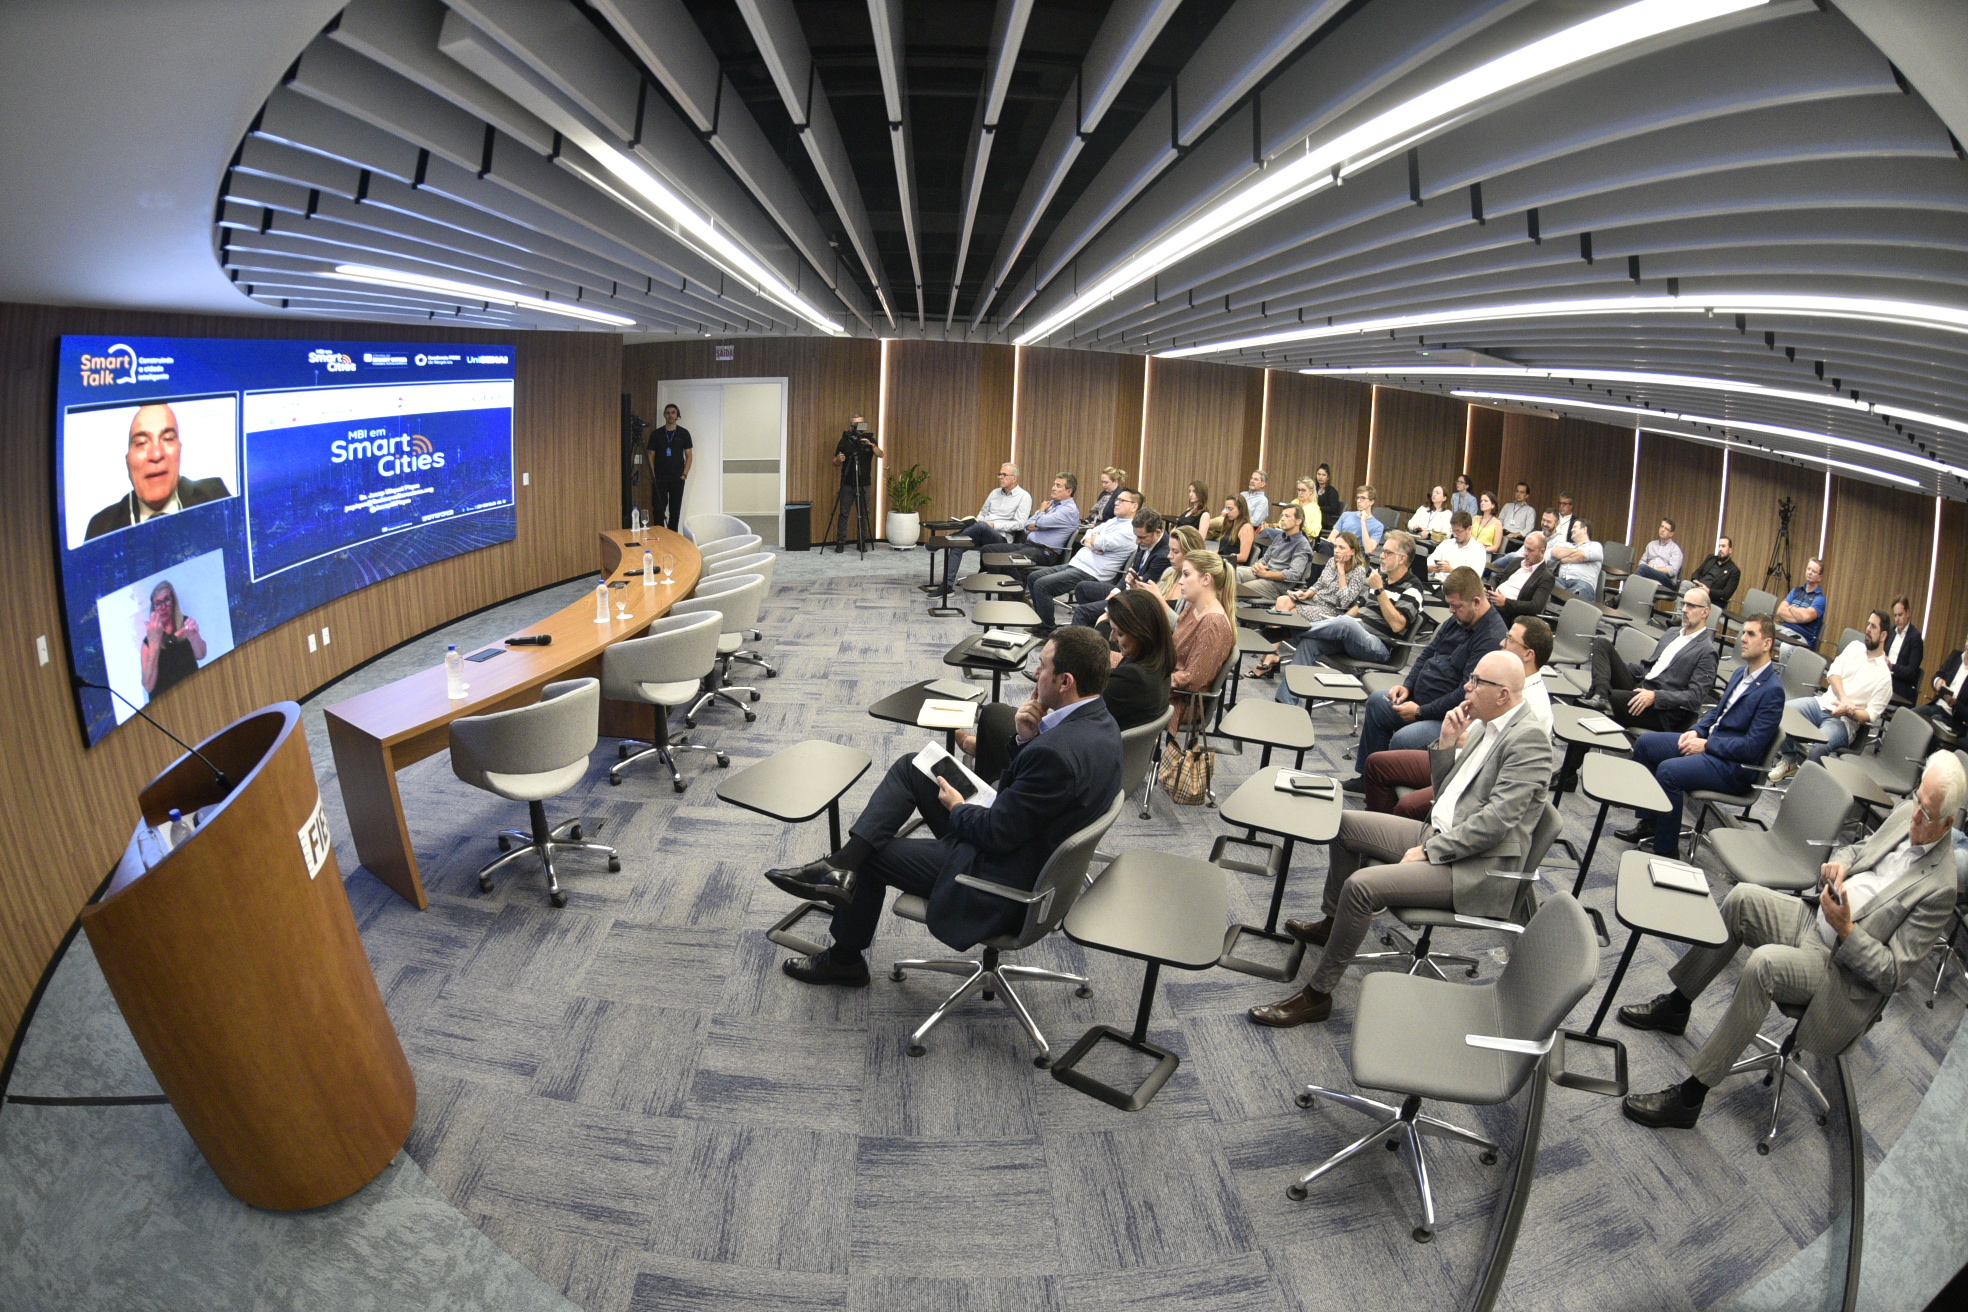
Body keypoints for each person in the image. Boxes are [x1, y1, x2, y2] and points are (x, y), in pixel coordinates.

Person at [1620, 752, 1964, 1130]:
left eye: (1926, 813)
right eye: (1917, 800)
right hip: (1817, 918)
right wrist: (1842, 864)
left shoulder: (1940, 888)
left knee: (1763, 965)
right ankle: (1676, 1006)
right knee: (1742, 899)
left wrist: (1847, 930)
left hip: (1840, 969)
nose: (1915, 815)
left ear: (1948, 824)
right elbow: (1858, 850)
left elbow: (1892, 974)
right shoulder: (1907, 813)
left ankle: (1689, 1098)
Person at [762, 628, 1124, 985]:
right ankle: (840, 865)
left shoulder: (1056, 754)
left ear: (1065, 682)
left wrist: (958, 807)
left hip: (998, 876)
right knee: (915, 767)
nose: (1036, 673)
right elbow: (1038, 798)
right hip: (1025, 840)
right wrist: (1025, 739)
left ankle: (844, 960)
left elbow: (997, 834)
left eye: (1043, 666)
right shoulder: (1103, 724)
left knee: (871, 857)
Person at [1247, 650, 1554, 1027]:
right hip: (1443, 833)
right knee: (1343, 825)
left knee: (1362, 886)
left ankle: (1317, 995)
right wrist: (1446, 744)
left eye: (1477, 682)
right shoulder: (1485, 723)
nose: (1467, 688)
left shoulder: (1529, 740)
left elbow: (1496, 823)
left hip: (1475, 867)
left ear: (1503, 694)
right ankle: (1332, 924)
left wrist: (1430, 850)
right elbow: (1450, 793)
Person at [1617, 615, 1785, 854]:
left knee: (1668, 772)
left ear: (1767, 644)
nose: (1742, 639)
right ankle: (1651, 823)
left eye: (1751, 634)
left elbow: (1750, 747)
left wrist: (1707, 745)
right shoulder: (1740, 673)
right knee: (1645, 744)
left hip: (1732, 766)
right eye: (1743, 633)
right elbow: (1717, 711)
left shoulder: (1772, 691)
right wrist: (1696, 730)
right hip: (1711, 745)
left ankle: (1666, 852)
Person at [961, 593, 1172, 782]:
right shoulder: (1159, 666)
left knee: (993, 714)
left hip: (1081, 755)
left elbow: (1076, 704)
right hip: (1102, 749)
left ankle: (990, 769)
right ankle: (987, 752)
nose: (1112, 638)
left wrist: (1044, 702)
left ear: (1142, 633)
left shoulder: (1133, 679)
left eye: (1120, 633)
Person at [1363, 617, 1556, 820]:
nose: (1501, 642)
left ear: (1528, 654)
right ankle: (1377, 828)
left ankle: (1390, 834)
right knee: (1377, 765)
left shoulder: (1532, 707)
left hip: (1476, 777)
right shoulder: (1504, 682)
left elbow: (1489, 754)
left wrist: (1454, 736)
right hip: (1462, 756)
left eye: (1509, 639)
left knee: (1407, 805)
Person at [1342, 566, 1507, 789]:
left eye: (1456, 606)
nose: (1451, 611)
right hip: (1420, 699)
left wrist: (1421, 712)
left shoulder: (1491, 637)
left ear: (1476, 602)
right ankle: (1368, 780)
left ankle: (1385, 792)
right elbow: (1427, 653)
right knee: (1377, 703)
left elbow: (1465, 692)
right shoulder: (1460, 618)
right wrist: (1407, 686)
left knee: (1404, 739)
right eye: (1449, 605)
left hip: (1447, 718)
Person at [1558, 589, 1720, 793]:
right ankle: (1600, 695)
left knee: (1594, 706)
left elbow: (1695, 698)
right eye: (1684, 604)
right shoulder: (1672, 633)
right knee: (1601, 644)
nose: (1685, 610)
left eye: (1691, 606)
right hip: (1642, 686)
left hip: (1660, 710)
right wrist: (1620, 669)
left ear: (1705, 612)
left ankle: (1567, 774)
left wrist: (1656, 697)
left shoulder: (1706, 651)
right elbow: (1650, 670)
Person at [1275, 530, 1425, 696]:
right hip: (1354, 636)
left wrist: (1379, 590)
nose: (1381, 556)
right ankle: (1286, 700)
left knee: (1347, 623)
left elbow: (1397, 625)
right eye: (1383, 551)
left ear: (1402, 558)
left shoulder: (1413, 588)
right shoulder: (1382, 578)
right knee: (1309, 643)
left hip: (1378, 647)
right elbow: (1359, 606)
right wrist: (1337, 622)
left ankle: (1289, 631)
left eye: (1388, 552)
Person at [1769, 609, 1893, 779]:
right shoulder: (1854, 647)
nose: (1867, 629)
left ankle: (1802, 784)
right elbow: (1833, 673)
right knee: (1781, 712)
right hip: (1822, 704)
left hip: (1843, 722)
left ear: (1884, 635)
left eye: (1873, 626)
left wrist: (1848, 710)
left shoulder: (1884, 678)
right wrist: (1844, 698)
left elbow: (1870, 715)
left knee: (1820, 746)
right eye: (1868, 624)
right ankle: (1790, 760)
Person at [85, 402, 232, 540]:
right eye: (141, 443)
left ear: (180, 451)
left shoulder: (215, 497)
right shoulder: (101, 528)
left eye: (167, 439)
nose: (156, 454)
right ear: (127, 460)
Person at [1249, 530, 1372, 679]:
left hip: (1332, 611)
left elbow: (1344, 601)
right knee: (1282, 601)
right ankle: (1272, 655)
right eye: (1335, 547)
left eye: (1341, 548)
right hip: (1314, 601)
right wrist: (1307, 593)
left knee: (1284, 612)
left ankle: (1269, 657)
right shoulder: (1331, 562)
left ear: (1352, 551)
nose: (1336, 551)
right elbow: (1319, 585)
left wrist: (1341, 573)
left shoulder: (1358, 571)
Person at [1027, 490, 1141, 630]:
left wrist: (1094, 540)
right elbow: (1088, 533)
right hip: (1077, 565)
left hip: (1093, 572)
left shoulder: (1131, 529)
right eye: (1117, 499)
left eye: (1122, 500)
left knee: (1042, 585)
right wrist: (1091, 543)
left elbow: (1098, 541)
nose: (1116, 503)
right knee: (1033, 577)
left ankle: (1046, 630)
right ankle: (1040, 624)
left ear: (1134, 506)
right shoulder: (1114, 521)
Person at [1168, 550, 1235, 730]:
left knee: (1116, 690)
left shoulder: (1213, 624)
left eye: (1186, 574)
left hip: (1183, 701)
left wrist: (1152, 679)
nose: (1180, 581)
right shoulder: (1194, 607)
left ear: (1206, 579)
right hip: (1171, 685)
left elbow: (1193, 680)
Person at [1069, 509, 1169, 628]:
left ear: (1157, 532)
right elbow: (1131, 572)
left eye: (1142, 537)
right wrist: (1115, 592)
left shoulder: (1164, 555)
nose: (1137, 541)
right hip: (1128, 590)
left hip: (1139, 600)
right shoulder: (1146, 540)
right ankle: (1099, 628)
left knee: (1082, 612)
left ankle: (1096, 630)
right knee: (1082, 588)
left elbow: (1141, 589)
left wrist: (1108, 609)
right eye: (1136, 536)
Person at [940, 463, 1033, 578]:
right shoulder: (994, 493)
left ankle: (949, 539)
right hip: (981, 531)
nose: (1000, 477)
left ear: (1014, 478)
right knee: (957, 545)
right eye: (999, 474)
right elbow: (983, 513)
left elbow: (1019, 524)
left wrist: (993, 525)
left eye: (1004, 475)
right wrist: (976, 521)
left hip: (1001, 537)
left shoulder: (1024, 496)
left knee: (982, 526)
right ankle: (947, 584)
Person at [139, 579, 207, 700]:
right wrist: (154, 644)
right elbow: (148, 686)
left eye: (167, 600)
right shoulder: (148, 642)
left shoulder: (186, 624)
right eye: (158, 603)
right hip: (167, 704)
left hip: (194, 694)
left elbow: (201, 654)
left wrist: (194, 637)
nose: (163, 607)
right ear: (153, 609)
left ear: (174, 601)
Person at [1235, 503, 1315, 601]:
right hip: (1263, 574)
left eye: (1287, 516)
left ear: (1298, 521)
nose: (1282, 519)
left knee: (1240, 589)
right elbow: (1265, 559)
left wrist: (1265, 574)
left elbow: (1294, 575)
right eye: (1282, 515)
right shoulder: (1280, 537)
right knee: (1233, 573)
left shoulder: (1302, 544)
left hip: (1277, 586)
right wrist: (1258, 565)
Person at [831, 414, 884, 551]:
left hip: (864, 483)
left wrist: (872, 446)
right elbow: (835, 462)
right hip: (847, 483)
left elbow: (881, 454)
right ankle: (840, 541)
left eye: (860, 424)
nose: (857, 427)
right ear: (850, 425)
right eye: (854, 424)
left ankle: (862, 542)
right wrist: (838, 459)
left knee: (864, 514)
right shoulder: (845, 440)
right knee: (844, 513)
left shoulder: (870, 440)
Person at [643, 403, 695, 531]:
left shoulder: (684, 433)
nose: (670, 415)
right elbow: (650, 456)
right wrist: (653, 476)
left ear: (677, 415)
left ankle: (673, 537)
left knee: (675, 511)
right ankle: (660, 536)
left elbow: (689, 455)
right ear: (664, 415)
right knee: (658, 511)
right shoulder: (656, 434)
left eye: (673, 412)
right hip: (660, 479)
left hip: (677, 478)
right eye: (667, 413)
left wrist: (684, 475)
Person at [1486, 531, 1557, 622]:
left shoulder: (1546, 577)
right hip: (1492, 602)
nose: (1526, 553)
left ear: (1542, 552)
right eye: (1525, 548)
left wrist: (1505, 602)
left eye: (1530, 550)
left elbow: (1535, 606)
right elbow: (1496, 578)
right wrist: (1489, 588)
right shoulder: (1517, 562)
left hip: (1509, 613)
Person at [1019, 472, 1081, 565]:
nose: (1053, 488)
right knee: (995, 551)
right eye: (1054, 484)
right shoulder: (1052, 504)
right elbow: (1028, 523)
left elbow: (1040, 522)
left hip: (1045, 552)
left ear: (1069, 491)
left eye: (1058, 486)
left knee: (1007, 559)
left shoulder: (1069, 510)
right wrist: (1038, 524)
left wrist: (1041, 511)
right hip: (1030, 546)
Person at [1916, 629, 1967, 738]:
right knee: (1909, 715)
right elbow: (1936, 676)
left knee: (1933, 723)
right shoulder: (1956, 656)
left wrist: (1956, 704)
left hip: (1954, 718)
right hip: (1937, 705)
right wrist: (1938, 681)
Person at [1775, 557, 1828, 649]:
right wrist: (1800, 617)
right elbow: (1780, 611)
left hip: (1802, 639)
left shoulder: (1820, 599)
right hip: (1784, 630)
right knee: (1762, 633)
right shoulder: (1796, 591)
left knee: (1785, 647)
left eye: (1814, 571)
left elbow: (1806, 617)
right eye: (1808, 569)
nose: (1810, 572)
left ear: (1820, 577)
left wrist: (1791, 608)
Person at [1549, 518, 1603, 599]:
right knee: (1546, 581)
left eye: (1574, 527)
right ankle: (1565, 598)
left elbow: (1582, 556)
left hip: (1583, 583)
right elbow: (1555, 552)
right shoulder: (1566, 545)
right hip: (1561, 582)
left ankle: (1564, 598)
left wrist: (1564, 559)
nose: (1571, 530)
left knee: (1579, 591)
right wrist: (1576, 553)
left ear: (1584, 530)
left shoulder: (1595, 546)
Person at [1426, 511, 1487, 581]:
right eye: (1453, 531)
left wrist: (1451, 570)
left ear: (1469, 529)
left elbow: (1474, 580)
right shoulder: (1446, 543)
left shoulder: (1478, 550)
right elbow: (1427, 565)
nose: (1455, 535)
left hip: (1459, 586)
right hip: (1435, 583)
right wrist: (1432, 568)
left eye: (1458, 531)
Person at [1886, 596, 1924, 705]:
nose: (1897, 619)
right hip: (1886, 677)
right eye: (1895, 615)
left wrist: (1892, 667)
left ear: (1908, 613)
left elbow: (1911, 672)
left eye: (1900, 615)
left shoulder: (1915, 638)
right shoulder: (1891, 631)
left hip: (1901, 685)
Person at [1688, 536, 1742, 607]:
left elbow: (1726, 594)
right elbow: (1697, 572)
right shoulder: (1711, 558)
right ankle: (1679, 613)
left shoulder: (1734, 570)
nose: (1720, 549)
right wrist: (1696, 582)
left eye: (1723, 546)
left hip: (1711, 598)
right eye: (1719, 546)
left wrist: (1708, 591)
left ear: (1730, 550)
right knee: (1685, 584)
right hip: (1698, 588)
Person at [1332, 484, 1384, 556]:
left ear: (1371, 502)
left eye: (1363, 498)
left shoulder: (1378, 526)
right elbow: (1331, 537)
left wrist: (1363, 522)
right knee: (1326, 545)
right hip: (1340, 551)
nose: (1359, 501)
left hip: (1357, 555)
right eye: (1358, 498)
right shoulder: (1346, 515)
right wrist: (1342, 547)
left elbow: (1369, 550)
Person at [1634, 518, 1683, 586]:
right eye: (1661, 526)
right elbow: (1641, 562)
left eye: (1666, 529)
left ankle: (1627, 590)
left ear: (1671, 534)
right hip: (1648, 574)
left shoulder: (1675, 549)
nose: (1662, 530)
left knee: (1642, 569)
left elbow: (1673, 570)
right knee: (1641, 570)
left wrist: (1653, 568)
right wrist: (1647, 568)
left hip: (1666, 580)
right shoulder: (1651, 544)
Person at [1213, 494, 1257, 565]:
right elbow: (1225, 549)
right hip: (1223, 561)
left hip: (1232, 564)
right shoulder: (1230, 524)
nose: (1227, 512)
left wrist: (1220, 558)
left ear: (1240, 509)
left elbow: (1243, 557)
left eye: (1230, 509)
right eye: (1226, 509)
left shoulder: (1246, 528)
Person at [1312, 464, 1344, 536]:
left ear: (1328, 477)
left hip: (1327, 519)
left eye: (1323, 475)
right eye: (1318, 474)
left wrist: (1317, 508)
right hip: (1315, 516)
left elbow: (1333, 509)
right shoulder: (1314, 489)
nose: (1320, 477)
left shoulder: (1332, 491)